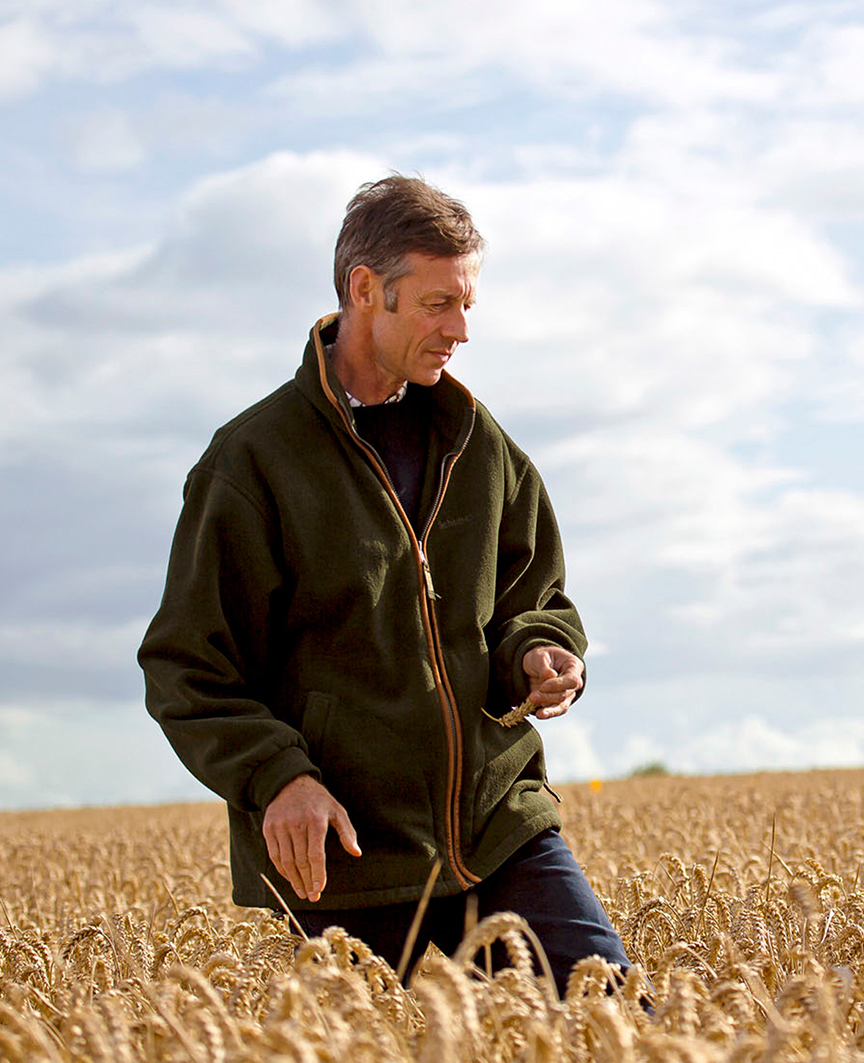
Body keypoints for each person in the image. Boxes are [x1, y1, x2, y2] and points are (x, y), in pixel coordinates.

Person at [138, 174, 630, 992]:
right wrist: (279, 777)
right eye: (440, 304)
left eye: (467, 304)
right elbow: (187, 667)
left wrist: (539, 650)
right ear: (367, 290)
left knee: (615, 1019)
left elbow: (532, 597)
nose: (462, 330)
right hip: (347, 857)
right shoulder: (253, 462)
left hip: (498, 824)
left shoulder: (480, 445)